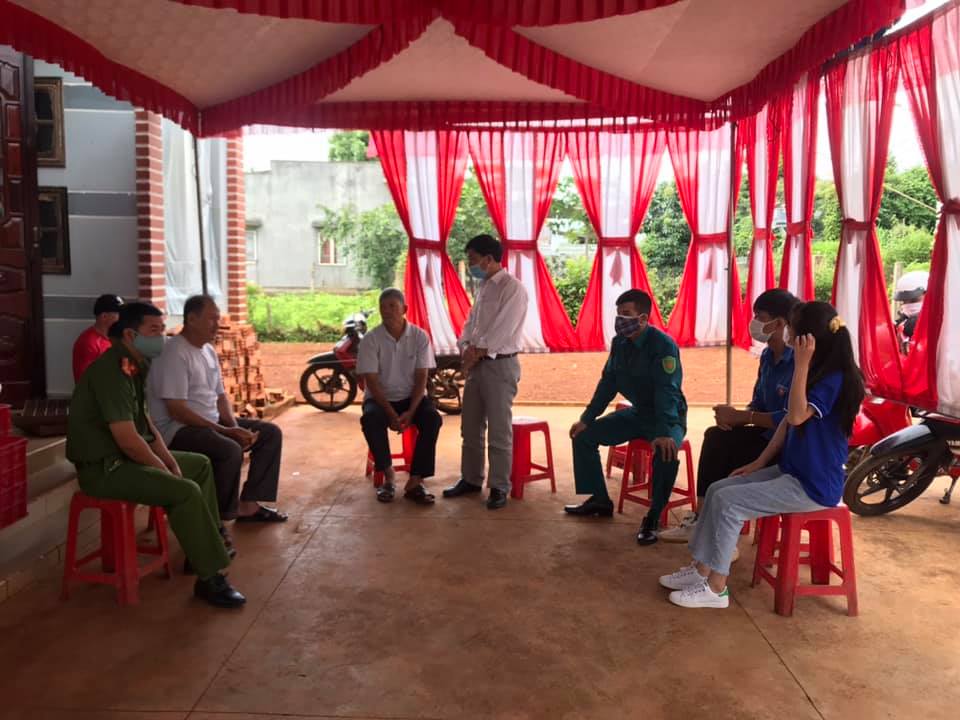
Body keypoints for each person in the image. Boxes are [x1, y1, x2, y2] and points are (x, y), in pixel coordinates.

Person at [659, 301, 865, 609]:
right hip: (792, 472)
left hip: (814, 485)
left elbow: (796, 415)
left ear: (807, 339)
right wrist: (758, 462)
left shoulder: (833, 378)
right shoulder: (815, 371)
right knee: (717, 490)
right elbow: (785, 425)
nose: (788, 333)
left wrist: (801, 365)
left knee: (730, 504)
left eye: (792, 329)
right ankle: (701, 569)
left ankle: (716, 588)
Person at [66, 302, 245, 608]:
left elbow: (146, 424)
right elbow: (128, 439)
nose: (161, 337)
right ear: (130, 335)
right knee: (185, 490)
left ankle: (204, 547)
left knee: (199, 465)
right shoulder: (111, 372)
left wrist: (170, 461)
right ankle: (211, 577)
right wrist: (163, 468)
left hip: (125, 460)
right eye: (154, 330)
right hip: (105, 469)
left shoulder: (133, 366)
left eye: (163, 330)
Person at [660, 289, 800, 544]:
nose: (754, 323)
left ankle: (719, 528)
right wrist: (733, 418)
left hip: (787, 447)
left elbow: (791, 418)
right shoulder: (767, 356)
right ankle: (705, 519)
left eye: (760, 317)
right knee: (717, 436)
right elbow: (758, 403)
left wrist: (744, 416)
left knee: (725, 451)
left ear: (779, 323)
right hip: (764, 436)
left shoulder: (799, 362)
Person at [148, 295, 288, 525]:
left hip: (208, 423)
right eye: (211, 319)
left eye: (218, 318)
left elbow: (221, 396)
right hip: (177, 430)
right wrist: (227, 432)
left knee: (270, 434)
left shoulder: (208, 350)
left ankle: (248, 506)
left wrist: (234, 426)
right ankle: (216, 520)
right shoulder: (173, 352)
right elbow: (177, 411)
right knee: (229, 449)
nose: (217, 324)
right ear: (192, 319)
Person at [564, 289, 687, 545]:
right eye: (619, 314)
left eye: (626, 314)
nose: (620, 320)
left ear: (643, 318)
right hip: (638, 412)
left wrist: (664, 432)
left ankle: (653, 517)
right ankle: (599, 500)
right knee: (583, 436)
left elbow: (667, 391)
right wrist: (587, 418)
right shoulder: (619, 343)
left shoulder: (663, 346)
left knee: (666, 450)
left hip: (668, 416)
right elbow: (608, 383)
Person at [443, 234, 528, 510]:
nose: (471, 265)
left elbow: (502, 330)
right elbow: (471, 324)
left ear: (489, 259)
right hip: (477, 365)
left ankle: (499, 486)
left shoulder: (512, 289)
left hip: (499, 365)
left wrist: (474, 354)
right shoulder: (484, 288)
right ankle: (471, 479)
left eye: (473, 259)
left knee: (499, 430)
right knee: (470, 426)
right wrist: (465, 345)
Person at [357, 288, 442, 505]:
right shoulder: (371, 339)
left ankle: (415, 480)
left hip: (411, 398)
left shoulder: (419, 337)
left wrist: (411, 411)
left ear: (404, 309)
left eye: (392, 306)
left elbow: (422, 377)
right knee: (370, 419)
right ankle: (389, 476)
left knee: (432, 419)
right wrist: (390, 413)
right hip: (380, 399)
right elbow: (371, 381)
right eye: (383, 307)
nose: (387, 311)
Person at [72, 294, 124, 381]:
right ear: (104, 316)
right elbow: (87, 381)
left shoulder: (116, 338)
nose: (123, 317)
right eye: (119, 313)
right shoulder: (88, 343)